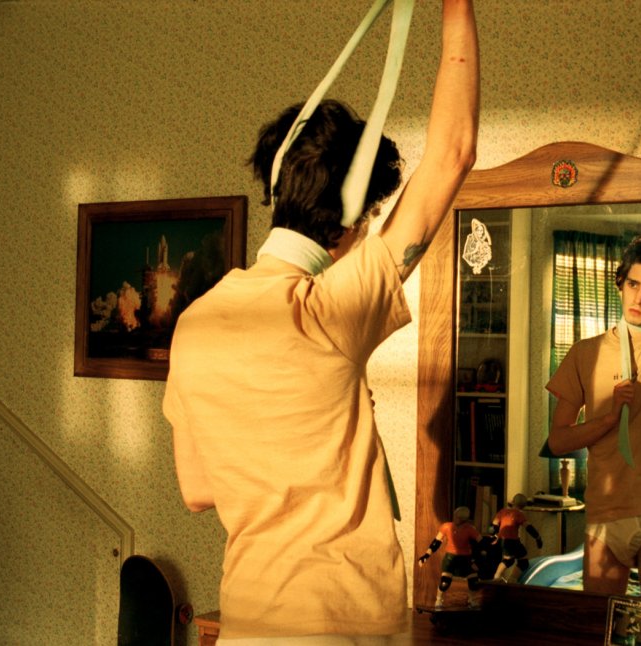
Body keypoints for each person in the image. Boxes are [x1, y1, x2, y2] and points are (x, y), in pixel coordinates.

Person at [162, 1, 479, 641]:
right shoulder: (328, 309)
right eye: (371, 218)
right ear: (352, 221)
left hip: (247, 620)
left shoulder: (193, 322)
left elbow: (197, 489)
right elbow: (453, 154)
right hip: (339, 624)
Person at [544, 235, 641, 597]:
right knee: (597, 622)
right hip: (606, 515)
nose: (638, 299)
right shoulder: (585, 353)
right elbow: (558, 441)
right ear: (620, 283)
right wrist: (608, 419)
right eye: (633, 284)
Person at [417, 506, 482, 608]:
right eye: (455, 516)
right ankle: (439, 600)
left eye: (458, 517)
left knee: (473, 582)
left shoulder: (470, 529)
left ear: (463, 519)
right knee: (444, 583)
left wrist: (475, 560)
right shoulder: (446, 527)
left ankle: (472, 600)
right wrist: (426, 555)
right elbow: (436, 542)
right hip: (450, 558)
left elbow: (481, 544)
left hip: (466, 559)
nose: (455, 518)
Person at [489, 493, 543, 581]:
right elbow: (528, 527)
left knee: (521, 561)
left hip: (505, 540)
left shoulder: (503, 511)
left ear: (513, 502)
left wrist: (494, 536)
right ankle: (499, 577)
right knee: (511, 561)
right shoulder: (519, 514)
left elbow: (493, 526)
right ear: (524, 506)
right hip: (511, 541)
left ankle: (509, 579)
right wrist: (537, 537)